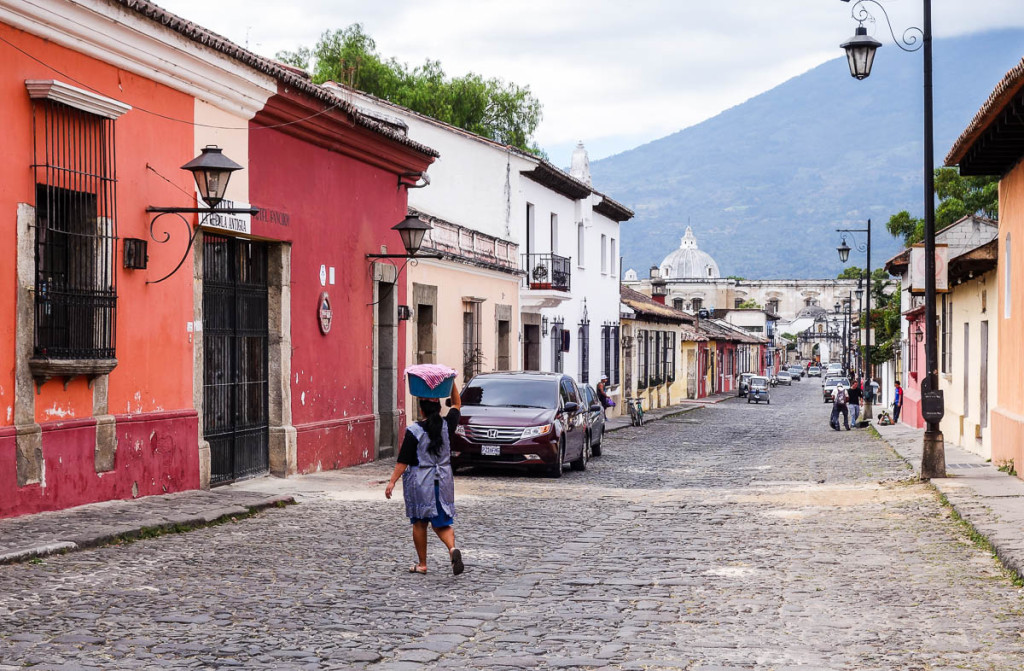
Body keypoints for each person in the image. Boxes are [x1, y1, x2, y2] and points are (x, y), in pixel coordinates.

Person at [385, 381, 465, 576]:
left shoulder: (414, 431)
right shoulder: (448, 425)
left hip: (421, 482)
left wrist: (392, 481)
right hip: (443, 481)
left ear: (421, 411)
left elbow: (403, 461)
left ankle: (422, 564)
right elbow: (456, 404)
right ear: (438, 409)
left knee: (420, 522)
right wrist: (451, 381)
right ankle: (452, 549)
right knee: (442, 522)